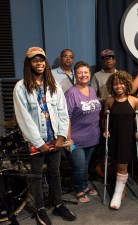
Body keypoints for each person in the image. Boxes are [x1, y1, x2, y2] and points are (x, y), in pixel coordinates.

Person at [13, 47, 76, 225]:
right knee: (37, 175)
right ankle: (40, 208)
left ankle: (58, 203)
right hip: (37, 140)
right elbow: (23, 117)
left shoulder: (53, 84)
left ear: (45, 62)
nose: (39, 63)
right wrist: (38, 142)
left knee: (55, 173)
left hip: (55, 137)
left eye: (41, 60)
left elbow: (63, 112)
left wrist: (62, 136)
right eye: (34, 60)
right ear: (29, 63)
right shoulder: (21, 87)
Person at [64, 61, 101, 203]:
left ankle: (85, 186)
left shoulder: (91, 90)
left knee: (85, 164)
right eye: (80, 72)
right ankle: (78, 189)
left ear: (89, 74)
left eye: (86, 72)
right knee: (78, 166)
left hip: (91, 137)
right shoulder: (71, 93)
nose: (83, 75)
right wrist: (68, 138)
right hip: (75, 140)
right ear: (75, 74)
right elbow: (66, 117)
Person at [103, 70, 138, 209]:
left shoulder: (134, 100)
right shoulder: (109, 101)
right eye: (115, 83)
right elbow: (104, 118)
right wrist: (105, 130)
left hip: (128, 137)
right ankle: (122, 186)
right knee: (117, 164)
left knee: (122, 164)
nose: (118, 86)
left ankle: (117, 194)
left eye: (121, 83)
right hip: (115, 137)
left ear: (127, 84)